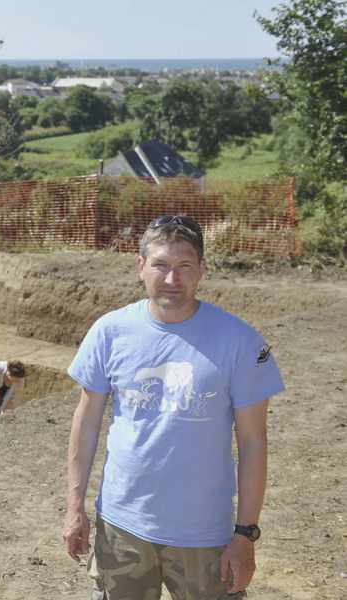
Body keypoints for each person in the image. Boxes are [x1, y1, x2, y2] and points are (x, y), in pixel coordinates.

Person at [63, 215, 285, 600]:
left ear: (202, 269)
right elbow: (86, 422)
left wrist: (245, 533)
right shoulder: (110, 331)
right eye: (160, 265)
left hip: (204, 536)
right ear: (140, 267)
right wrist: (74, 506)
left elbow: (253, 443)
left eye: (184, 266)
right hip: (121, 528)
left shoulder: (240, 342)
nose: (171, 279)